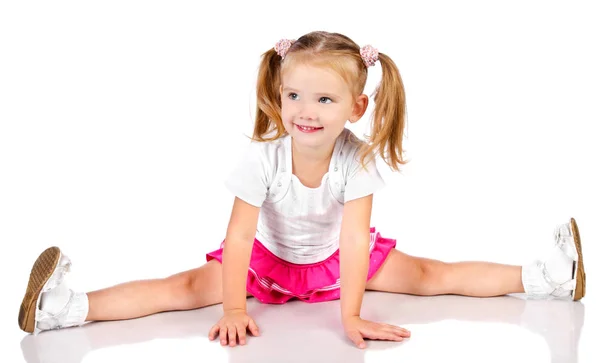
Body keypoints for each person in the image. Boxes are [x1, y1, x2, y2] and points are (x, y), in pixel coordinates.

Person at [18, 31, 586, 350]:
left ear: (356, 107)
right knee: (185, 286)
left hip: (337, 261)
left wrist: (351, 315)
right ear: (278, 96)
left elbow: (355, 239)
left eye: (324, 100)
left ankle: (546, 280)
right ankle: (65, 311)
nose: (305, 112)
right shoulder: (263, 158)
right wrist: (235, 304)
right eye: (294, 97)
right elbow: (238, 235)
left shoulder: (355, 160)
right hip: (267, 262)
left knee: (432, 276)